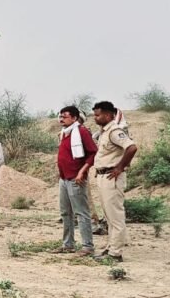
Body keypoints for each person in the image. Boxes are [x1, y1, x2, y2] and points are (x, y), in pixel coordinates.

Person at [92, 101, 138, 261]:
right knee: (109, 216)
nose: (95, 118)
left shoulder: (115, 131)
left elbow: (131, 147)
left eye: (98, 115)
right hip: (103, 176)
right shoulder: (104, 132)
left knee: (115, 216)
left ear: (108, 115)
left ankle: (115, 253)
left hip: (112, 177)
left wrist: (119, 167)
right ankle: (111, 247)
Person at [55, 105, 98, 256]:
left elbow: (93, 153)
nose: (61, 119)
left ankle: (87, 246)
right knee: (66, 212)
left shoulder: (81, 132)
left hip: (76, 178)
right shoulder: (64, 133)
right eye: (60, 116)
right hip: (64, 177)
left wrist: (82, 171)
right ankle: (68, 244)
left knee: (81, 212)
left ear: (74, 118)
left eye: (65, 116)